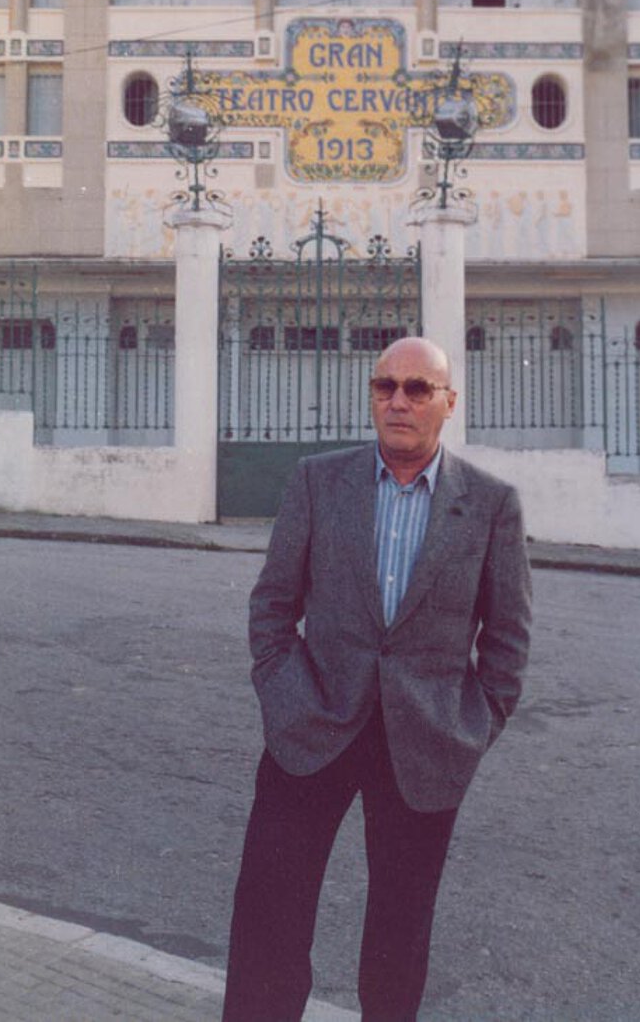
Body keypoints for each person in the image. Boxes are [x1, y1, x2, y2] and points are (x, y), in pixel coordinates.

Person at [222, 336, 532, 1022]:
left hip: (424, 745)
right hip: (313, 727)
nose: (398, 399)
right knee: (269, 922)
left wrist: (469, 727)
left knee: (398, 939)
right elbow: (272, 607)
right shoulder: (316, 481)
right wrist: (285, 696)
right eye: (384, 384)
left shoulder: (490, 505)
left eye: (418, 388)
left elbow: (508, 641)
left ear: (449, 403)